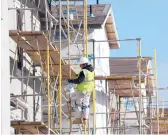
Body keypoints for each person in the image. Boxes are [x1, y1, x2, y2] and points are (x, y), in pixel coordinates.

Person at [68, 57, 95, 125]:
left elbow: (79, 81)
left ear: (83, 64)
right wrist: (78, 76)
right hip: (88, 90)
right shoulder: (91, 70)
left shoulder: (83, 71)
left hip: (82, 90)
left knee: (79, 104)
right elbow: (86, 78)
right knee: (86, 104)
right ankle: (85, 119)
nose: (80, 66)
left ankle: (78, 119)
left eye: (80, 65)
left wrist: (71, 80)